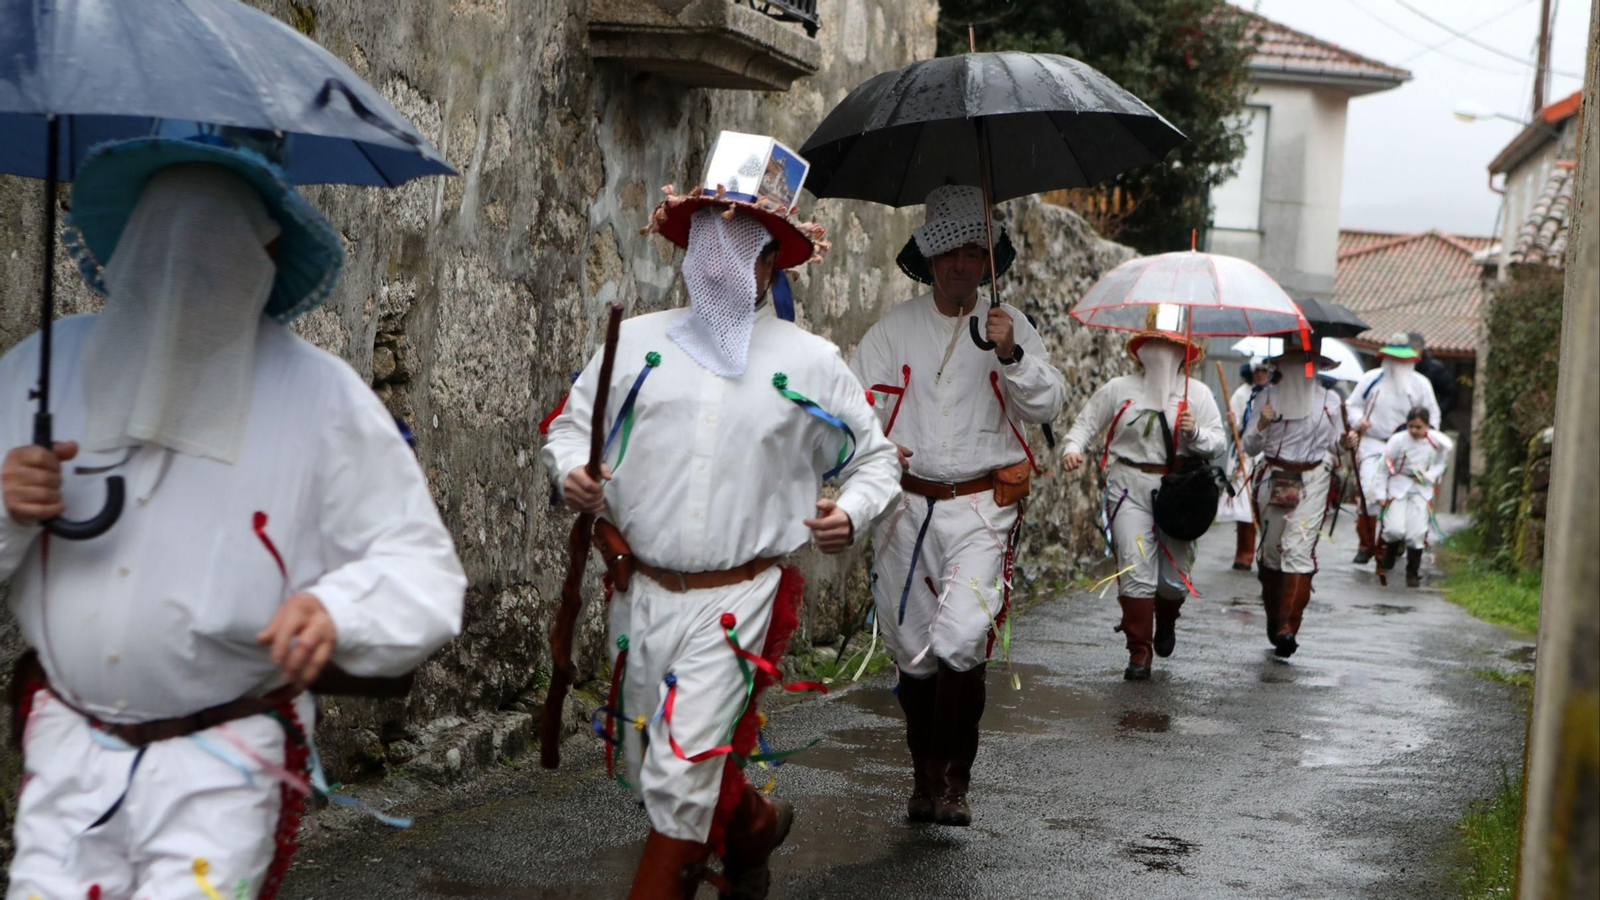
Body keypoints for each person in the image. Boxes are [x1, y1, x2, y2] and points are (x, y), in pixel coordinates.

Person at [0, 137, 466, 898]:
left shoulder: (320, 397)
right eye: (165, 246)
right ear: (130, 247)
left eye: (214, 252)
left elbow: (421, 569)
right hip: (68, 756)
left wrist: (335, 609)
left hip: (219, 767)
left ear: (264, 256)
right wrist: (7, 504)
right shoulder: (40, 373)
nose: (185, 275)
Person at [542, 143, 901, 900]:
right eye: (706, 233)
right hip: (635, 594)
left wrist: (853, 511)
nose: (718, 256)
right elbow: (572, 428)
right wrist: (573, 472)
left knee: (682, 773)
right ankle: (755, 826)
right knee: (653, 767)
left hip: (738, 602)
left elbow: (877, 461)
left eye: (739, 241)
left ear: (773, 261)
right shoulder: (635, 343)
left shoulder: (810, 362)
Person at [849, 185, 1066, 828]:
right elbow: (855, 408)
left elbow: (1047, 404)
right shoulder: (894, 330)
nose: (961, 265)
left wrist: (1010, 354)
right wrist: (883, 445)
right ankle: (922, 774)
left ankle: (952, 781)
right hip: (905, 512)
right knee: (912, 648)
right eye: (949, 252)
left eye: (974, 252)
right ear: (930, 257)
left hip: (979, 510)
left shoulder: (1011, 326)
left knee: (963, 636)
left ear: (988, 259)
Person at [1061, 321, 1225, 681]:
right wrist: (1073, 449)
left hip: (1179, 491)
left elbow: (1219, 442)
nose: (1162, 352)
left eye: (1170, 346)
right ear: (1141, 348)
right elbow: (1085, 425)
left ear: (1184, 354)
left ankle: (1166, 621)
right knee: (1135, 568)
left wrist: (1194, 433)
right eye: (1155, 344)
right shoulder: (1118, 389)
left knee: (1173, 582)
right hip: (1127, 487)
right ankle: (1140, 651)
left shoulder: (1196, 394)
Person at [1241, 336, 1351, 657]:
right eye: (1291, 363)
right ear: (1281, 366)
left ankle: (1289, 627)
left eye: (1307, 364)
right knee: (1273, 552)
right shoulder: (1266, 397)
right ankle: (1275, 619)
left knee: (1297, 547)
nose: (1300, 369)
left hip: (1314, 478)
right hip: (1274, 476)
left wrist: (1348, 441)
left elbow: (1337, 445)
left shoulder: (1332, 403)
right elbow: (1249, 447)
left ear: (1317, 367)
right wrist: (1261, 424)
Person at [1345, 334, 1439, 565]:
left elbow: (1433, 417)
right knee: (1369, 491)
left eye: (1402, 360)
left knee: (1400, 494)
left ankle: (1390, 543)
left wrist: (1427, 446)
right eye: (1392, 359)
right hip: (1374, 443)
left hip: (1408, 446)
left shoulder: (1421, 385)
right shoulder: (1371, 379)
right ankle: (1366, 543)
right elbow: (1352, 405)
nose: (1397, 365)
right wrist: (1359, 422)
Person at [1371, 406, 1454, 588]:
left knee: (1416, 533)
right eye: (1411, 426)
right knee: (1394, 529)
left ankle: (1412, 573)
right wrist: (1380, 494)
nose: (1414, 431)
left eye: (1419, 427)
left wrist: (1429, 475)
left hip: (1421, 490)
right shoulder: (1397, 441)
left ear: (1427, 425)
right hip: (1398, 487)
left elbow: (1441, 464)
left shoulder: (1436, 442)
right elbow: (1383, 467)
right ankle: (1390, 553)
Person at [1218, 357, 1270, 570]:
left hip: (1267, 455)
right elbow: (1235, 425)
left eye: (1264, 370)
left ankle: (1267, 555)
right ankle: (1245, 553)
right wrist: (1232, 422)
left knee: (1265, 504)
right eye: (1256, 370)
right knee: (1243, 505)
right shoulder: (1242, 393)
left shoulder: (1277, 394)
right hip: (1243, 457)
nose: (1260, 374)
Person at [1407, 332, 1458, 421]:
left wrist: (1435, 414)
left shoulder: (1436, 369)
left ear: (1420, 350)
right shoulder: (1400, 368)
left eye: (1413, 349)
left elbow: (1450, 396)